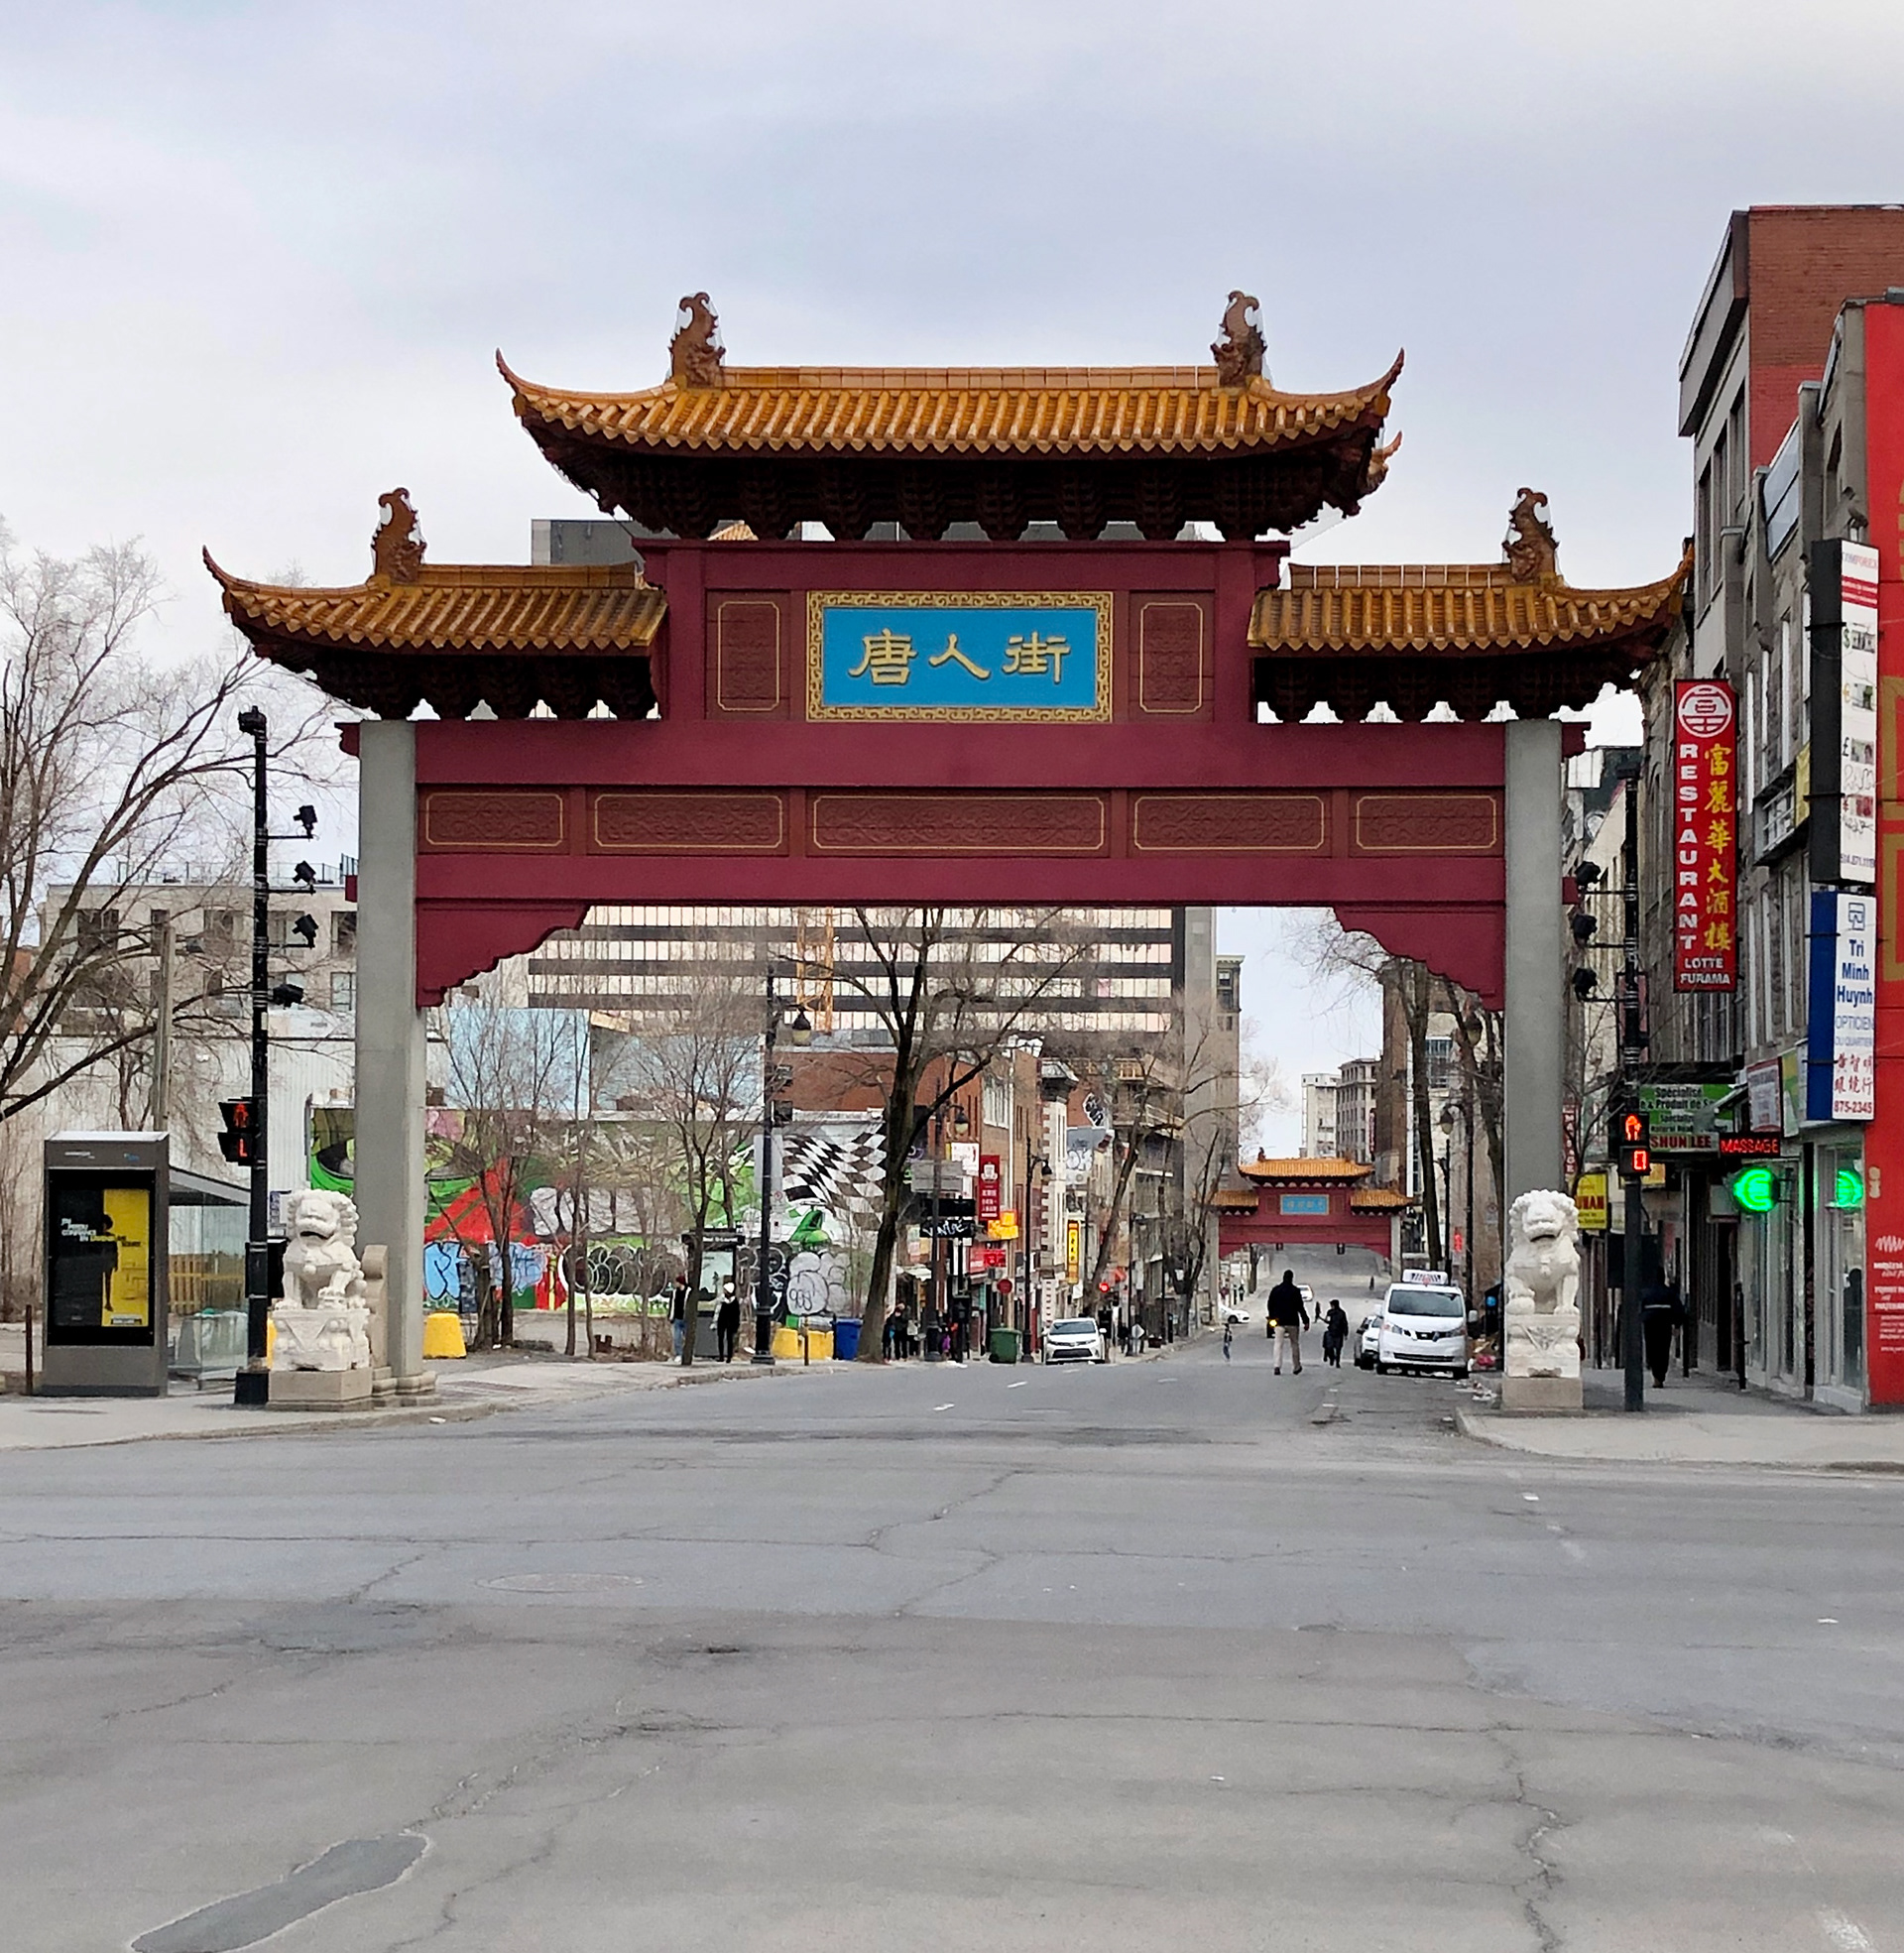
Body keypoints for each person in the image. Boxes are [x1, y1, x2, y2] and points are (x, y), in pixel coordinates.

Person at [1640, 1277, 1683, 1389]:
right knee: (1663, 1349)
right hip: (1665, 1324)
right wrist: (1677, 1325)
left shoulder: (1645, 1293)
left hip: (1650, 1324)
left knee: (1652, 1348)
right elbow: (1678, 1309)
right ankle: (1660, 1375)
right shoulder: (1669, 1293)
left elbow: (1639, 1308)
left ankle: (1655, 1375)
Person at [1264, 1269, 1307, 1374]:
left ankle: (1277, 1366)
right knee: (1294, 1344)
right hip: (1292, 1321)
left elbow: (1270, 1305)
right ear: (1292, 1278)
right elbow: (1300, 1307)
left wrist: (1272, 1317)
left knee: (1278, 1344)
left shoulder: (1276, 1290)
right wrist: (1305, 1320)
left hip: (1279, 1321)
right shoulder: (1295, 1291)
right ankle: (1296, 1366)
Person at [715, 1279, 742, 1363]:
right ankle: (721, 1356)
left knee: (729, 1339)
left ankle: (729, 1356)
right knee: (721, 1338)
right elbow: (718, 1310)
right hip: (722, 1322)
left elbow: (736, 1314)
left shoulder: (734, 1301)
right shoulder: (722, 1299)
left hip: (730, 1323)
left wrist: (736, 1324)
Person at [1323, 1299, 1350, 1368]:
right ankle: (1333, 1359)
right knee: (1332, 1348)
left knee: (1336, 1348)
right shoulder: (1331, 1312)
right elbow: (1328, 1320)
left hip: (1337, 1333)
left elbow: (1344, 1323)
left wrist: (1345, 1333)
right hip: (1334, 1332)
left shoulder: (1340, 1313)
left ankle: (1336, 1362)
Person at [669, 1275, 689, 1363]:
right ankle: (679, 1354)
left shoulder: (688, 1292)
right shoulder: (675, 1292)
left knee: (687, 1337)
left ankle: (687, 1353)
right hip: (677, 1317)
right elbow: (672, 1304)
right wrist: (671, 1316)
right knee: (677, 1337)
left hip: (686, 1318)